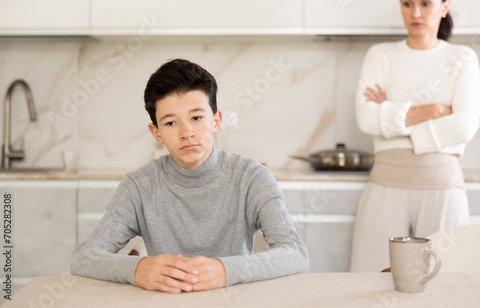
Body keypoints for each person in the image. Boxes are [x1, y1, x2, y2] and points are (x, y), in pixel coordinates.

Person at [71, 59, 309, 293]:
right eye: (171, 122)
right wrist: (138, 269)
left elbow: (295, 253)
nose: (186, 133)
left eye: (196, 118)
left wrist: (226, 270)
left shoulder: (253, 178)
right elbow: (84, 258)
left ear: (216, 121)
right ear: (157, 133)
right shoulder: (139, 186)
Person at [350, 0, 480, 272]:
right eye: (407, 3)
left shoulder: (462, 58)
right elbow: (366, 119)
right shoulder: (380, 55)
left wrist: (395, 119)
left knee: (447, 281)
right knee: (369, 279)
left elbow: (464, 125)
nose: (416, 12)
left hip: (443, 187)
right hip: (385, 183)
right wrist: (431, 111)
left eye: (426, 3)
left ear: (444, 7)